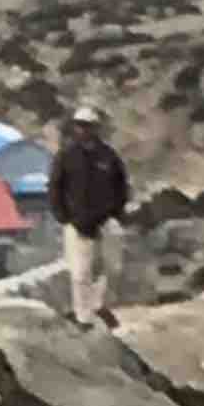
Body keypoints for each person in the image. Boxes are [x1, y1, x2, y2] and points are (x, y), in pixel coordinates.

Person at [47, 100, 131, 325]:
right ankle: (83, 316)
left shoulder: (108, 156)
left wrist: (117, 213)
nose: (84, 129)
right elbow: (55, 187)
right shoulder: (66, 156)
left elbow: (121, 185)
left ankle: (99, 306)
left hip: (105, 221)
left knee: (111, 268)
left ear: (96, 128)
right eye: (80, 125)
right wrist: (64, 217)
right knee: (80, 273)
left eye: (88, 125)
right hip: (77, 223)